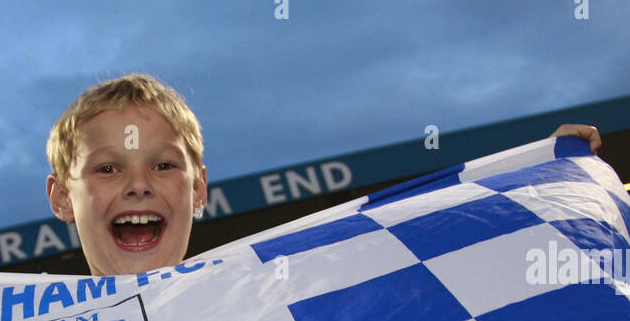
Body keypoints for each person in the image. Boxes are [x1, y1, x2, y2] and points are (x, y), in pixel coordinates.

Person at [44, 72, 601, 277]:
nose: (138, 183)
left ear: (198, 189)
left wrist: (540, 178)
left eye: (164, 165)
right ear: (61, 198)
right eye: (108, 167)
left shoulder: (269, 294)